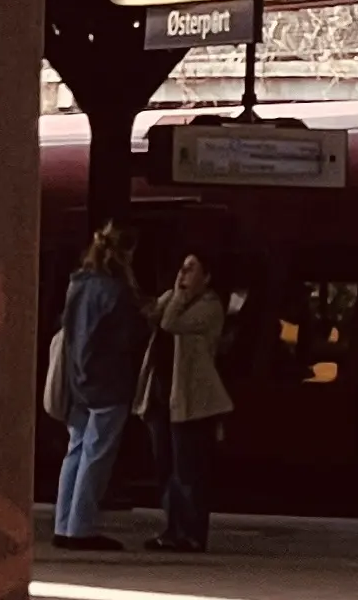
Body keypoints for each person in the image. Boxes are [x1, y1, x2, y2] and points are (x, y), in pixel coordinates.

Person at [52, 221, 142, 550]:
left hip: (78, 382)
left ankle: (64, 524)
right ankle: (82, 527)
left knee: (75, 451)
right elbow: (129, 338)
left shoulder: (77, 285)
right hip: (108, 384)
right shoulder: (115, 293)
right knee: (96, 455)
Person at [149, 250, 234, 552]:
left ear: (207, 277)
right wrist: (173, 294)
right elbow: (150, 315)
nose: (182, 275)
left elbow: (170, 322)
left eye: (190, 269)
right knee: (166, 468)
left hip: (192, 402)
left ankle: (192, 533)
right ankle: (172, 529)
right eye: (181, 268)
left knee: (189, 470)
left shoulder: (210, 308)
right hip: (163, 398)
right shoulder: (173, 298)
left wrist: (178, 296)